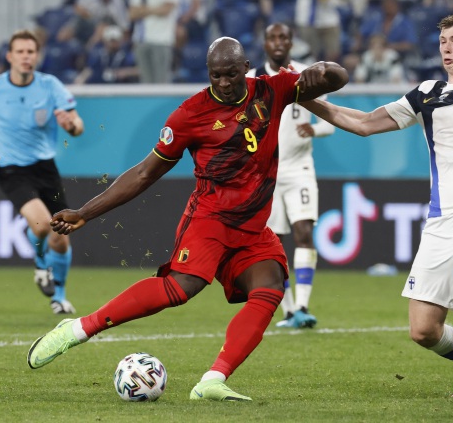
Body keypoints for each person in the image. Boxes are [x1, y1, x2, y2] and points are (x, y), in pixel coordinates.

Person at [26, 36, 348, 401]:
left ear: (246, 68)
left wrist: (316, 71)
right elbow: (144, 173)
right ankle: (78, 329)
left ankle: (212, 380)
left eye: (230, 74)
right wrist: (86, 212)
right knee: (181, 288)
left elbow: (337, 77)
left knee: (271, 286)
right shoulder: (190, 114)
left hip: (253, 226)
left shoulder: (273, 90)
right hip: (210, 219)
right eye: (215, 76)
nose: (223, 83)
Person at [300, 11, 453, 397]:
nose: (447, 48)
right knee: (423, 330)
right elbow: (364, 123)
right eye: (443, 41)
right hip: (442, 218)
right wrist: (304, 100)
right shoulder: (427, 93)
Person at [0, 30, 85, 315]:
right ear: (9, 56)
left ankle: (59, 296)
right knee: (43, 225)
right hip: (10, 168)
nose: (26, 57)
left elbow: (77, 126)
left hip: (45, 168)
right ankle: (41, 262)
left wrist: (71, 126)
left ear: (37, 56)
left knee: (62, 233)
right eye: (20, 52)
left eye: (31, 52)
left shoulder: (50, 86)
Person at [246, 23, 334, 328]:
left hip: (300, 170)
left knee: (304, 233)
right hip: (266, 175)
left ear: (291, 43)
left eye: (284, 37)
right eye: (273, 37)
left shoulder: (304, 76)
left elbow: (330, 122)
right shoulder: (252, 80)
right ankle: (288, 310)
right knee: (274, 242)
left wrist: (316, 128)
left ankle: (303, 307)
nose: (279, 42)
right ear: (265, 43)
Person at [128, 0, 181, 83]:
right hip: (141, 41)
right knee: (145, 82)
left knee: (161, 81)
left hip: (161, 41)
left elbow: (165, 10)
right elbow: (132, 14)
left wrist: (143, 10)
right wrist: (156, 8)